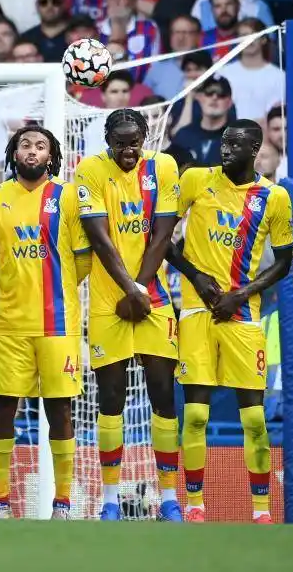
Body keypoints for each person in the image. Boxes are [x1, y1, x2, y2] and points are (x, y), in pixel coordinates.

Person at [168, 119, 293, 524]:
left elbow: (285, 263)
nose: (226, 149)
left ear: (255, 148)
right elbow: (161, 239)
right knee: (196, 416)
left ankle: (261, 510)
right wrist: (196, 276)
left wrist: (242, 292)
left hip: (242, 314)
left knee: (254, 419)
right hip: (195, 310)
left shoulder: (274, 197)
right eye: (223, 142)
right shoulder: (196, 182)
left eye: (236, 144)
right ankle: (194, 504)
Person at [0, 126, 91, 520]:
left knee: (59, 411)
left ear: (51, 156)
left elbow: (83, 259)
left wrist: (61, 291)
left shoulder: (69, 196)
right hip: (10, 325)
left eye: (40, 146)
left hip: (59, 323)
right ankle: (1, 503)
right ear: (13, 151)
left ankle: (63, 503)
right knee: (3, 409)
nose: (32, 150)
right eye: (25, 144)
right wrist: (6, 287)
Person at [74, 109, 183, 522]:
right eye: (120, 142)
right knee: (111, 398)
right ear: (107, 139)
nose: (128, 149)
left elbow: (163, 233)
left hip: (150, 297)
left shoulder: (165, 166)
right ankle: (110, 499)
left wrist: (139, 290)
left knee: (163, 393)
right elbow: (99, 237)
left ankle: (170, 497)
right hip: (107, 302)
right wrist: (129, 289)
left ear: (144, 137)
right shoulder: (90, 170)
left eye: (134, 141)